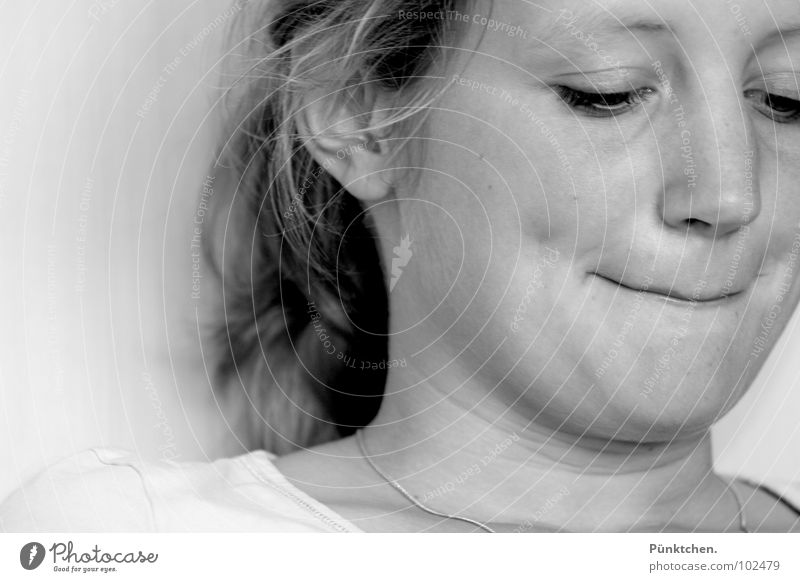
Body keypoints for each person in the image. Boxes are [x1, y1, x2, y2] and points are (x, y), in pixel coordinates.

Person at [3, 0, 800, 533]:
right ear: (357, 115)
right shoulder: (126, 544)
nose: (732, 195)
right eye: (606, 92)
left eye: (785, 100)